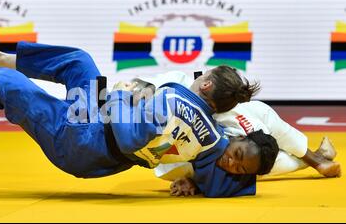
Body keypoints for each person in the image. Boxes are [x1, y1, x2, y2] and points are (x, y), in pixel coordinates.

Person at [0, 27, 277, 198]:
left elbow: (131, 137)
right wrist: (199, 181)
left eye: (205, 75)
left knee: (4, 86)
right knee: (80, 62)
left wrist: (119, 101)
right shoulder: (214, 139)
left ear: (207, 85)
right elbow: (234, 177)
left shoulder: (176, 104)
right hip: (95, 119)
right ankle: (3, 57)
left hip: (86, 143)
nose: (236, 163)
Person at [140, 71, 341, 196]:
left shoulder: (243, 167)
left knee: (272, 163)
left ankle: (318, 160)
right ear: (237, 138)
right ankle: (318, 159)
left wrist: (195, 183)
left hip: (242, 149)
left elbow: (230, 171)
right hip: (249, 124)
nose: (231, 164)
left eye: (240, 168)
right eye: (235, 155)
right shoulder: (227, 117)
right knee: (279, 137)